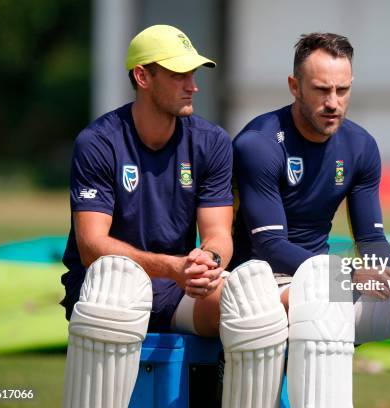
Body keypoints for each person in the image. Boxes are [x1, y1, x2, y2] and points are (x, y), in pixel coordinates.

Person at [225, 32, 390, 408]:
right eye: (321, 90)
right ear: (295, 87)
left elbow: (371, 239)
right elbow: (270, 246)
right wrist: (349, 275)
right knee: (324, 304)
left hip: (326, 284)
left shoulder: (360, 146)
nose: (333, 103)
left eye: (342, 90)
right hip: (263, 286)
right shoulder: (259, 143)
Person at [60, 25, 233, 407]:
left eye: (193, 74)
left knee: (251, 308)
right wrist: (173, 267)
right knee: (114, 294)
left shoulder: (211, 142)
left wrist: (209, 261)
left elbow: (219, 232)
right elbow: (92, 247)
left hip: (176, 286)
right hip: (104, 285)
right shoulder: (99, 142)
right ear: (143, 77)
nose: (193, 86)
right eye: (178, 75)